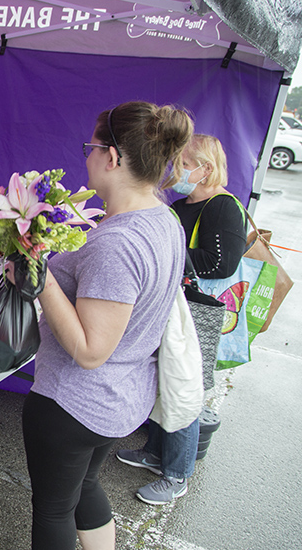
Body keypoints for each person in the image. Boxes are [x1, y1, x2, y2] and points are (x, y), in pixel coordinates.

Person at [21, 101, 192, 550]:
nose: (87, 157)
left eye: (90, 148)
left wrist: (38, 276)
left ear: (113, 157)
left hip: (75, 403)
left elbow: (91, 350)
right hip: (119, 400)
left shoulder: (118, 242)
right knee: (86, 489)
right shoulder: (163, 218)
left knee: (55, 509)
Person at [117, 134, 247, 505]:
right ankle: (156, 454)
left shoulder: (222, 207)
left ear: (206, 168)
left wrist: (172, 255)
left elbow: (223, 264)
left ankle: (176, 475)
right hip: (174, 308)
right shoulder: (182, 203)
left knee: (184, 390)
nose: (178, 170)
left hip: (198, 314)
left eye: (185, 164)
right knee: (164, 382)